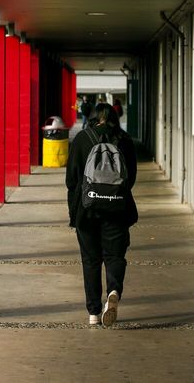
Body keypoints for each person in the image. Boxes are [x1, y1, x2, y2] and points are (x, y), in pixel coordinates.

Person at [66, 103, 138, 327]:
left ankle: (93, 313)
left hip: (87, 210)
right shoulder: (124, 140)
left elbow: (71, 180)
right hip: (116, 208)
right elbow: (131, 178)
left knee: (91, 260)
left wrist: (74, 212)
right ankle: (113, 291)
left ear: (93, 117)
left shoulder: (81, 139)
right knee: (114, 256)